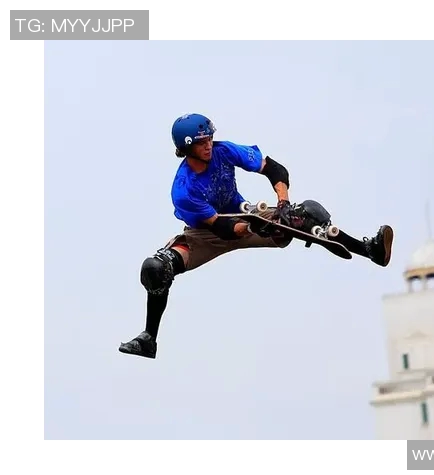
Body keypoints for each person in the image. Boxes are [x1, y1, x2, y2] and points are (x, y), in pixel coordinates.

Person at [119, 113, 394, 359]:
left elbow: (274, 169)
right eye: (201, 142)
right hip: (204, 234)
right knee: (156, 269)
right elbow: (223, 229)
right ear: (186, 148)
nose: (208, 145)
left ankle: (369, 250)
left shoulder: (224, 151)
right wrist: (252, 227)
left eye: (210, 139)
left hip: (241, 214)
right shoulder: (184, 190)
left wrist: (283, 205)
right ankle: (149, 339)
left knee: (305, 214)